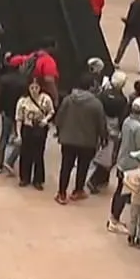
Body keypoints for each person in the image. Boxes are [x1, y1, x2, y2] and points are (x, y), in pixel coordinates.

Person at [53, 73, 108, 204]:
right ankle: (78, 190)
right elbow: (101, 124)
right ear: (90, 87)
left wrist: (59, 131)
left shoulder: (68, 99)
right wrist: (103, 138)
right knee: (83, 167)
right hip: (88, 141)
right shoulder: (96, 104)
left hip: (68, 139)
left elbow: (59, 117)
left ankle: (61, 193)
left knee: (66, 166)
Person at [107, 97, 140, 234]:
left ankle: (114, 218)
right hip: (131, 165)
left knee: (119, 191)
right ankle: (114, 220)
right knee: (123, 193)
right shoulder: (139, 128)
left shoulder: (127, 121)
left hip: (122, 160)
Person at [14, 79, 54, 189]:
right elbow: (19, 118)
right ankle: (24, 178)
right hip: (27, 128)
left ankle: (38, 180)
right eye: (32, 88)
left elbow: (51, 111)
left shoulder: (46, 99)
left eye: (36, 87)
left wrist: (46, 120)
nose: (34, 90)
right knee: (25, 154)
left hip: (40, 129)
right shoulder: (23, 101)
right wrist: (18, 134)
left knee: (38, 154)